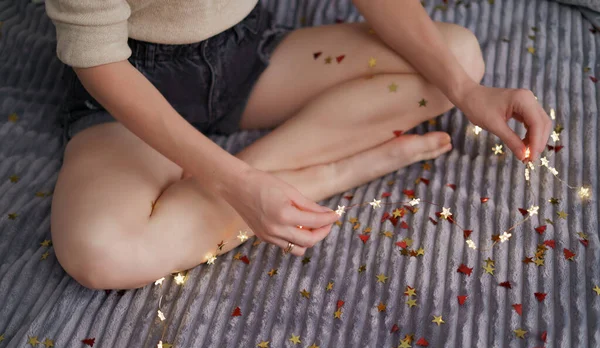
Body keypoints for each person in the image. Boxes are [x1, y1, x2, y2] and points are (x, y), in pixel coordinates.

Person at [46, 0, 551, 290]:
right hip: (128, 90)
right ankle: (328, 173)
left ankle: (260, 180)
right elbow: (99, 60)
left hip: (247, 54)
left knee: (458, 58)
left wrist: (466, 92)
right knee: (99, 254)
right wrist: (238, 184)